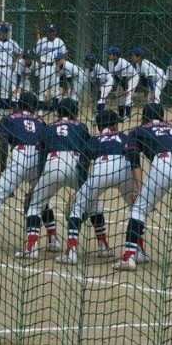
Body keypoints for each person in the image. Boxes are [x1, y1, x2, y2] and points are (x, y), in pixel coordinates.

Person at [113, 102, 172, 272]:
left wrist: (139, 188)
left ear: (144, 117)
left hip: (164, 163)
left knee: (139, 209)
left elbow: (135, 160)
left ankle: (129, 256)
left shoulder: (137, 130)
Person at [57, 110, 145, 265]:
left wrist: (81, 192)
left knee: (77, 208)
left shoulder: (93, 140)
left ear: (98, 126)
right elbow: (134, 156)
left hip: (101, 170)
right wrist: (138, 188)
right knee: (137, 208)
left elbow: (83, 165)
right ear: (115, 125)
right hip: (125, 169)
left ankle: (71, 252)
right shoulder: (125, 137)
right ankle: (138, 251)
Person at [0, 92, 58, 254]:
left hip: (20, 157)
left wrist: (2, 168)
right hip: (39, 159)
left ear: (18, 105)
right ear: (35, 108)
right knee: (41, 200)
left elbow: (3, 144)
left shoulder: (10, 118)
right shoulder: (41, 121)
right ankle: (53, 240)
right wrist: (40, 176)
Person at [15, 98, 93, 259]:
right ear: (76, 113)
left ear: (57, 113)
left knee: (35, 206)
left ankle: (31, 249)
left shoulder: (48, 127)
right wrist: (84, 184)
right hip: (75, 165)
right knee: (92, 204)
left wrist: (37, 182)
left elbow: (41, 156)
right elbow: (87, 155)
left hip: (52, 163)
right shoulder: (82, 127)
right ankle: (99, 246)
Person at [34, 24, 66, 115]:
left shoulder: (59, 41)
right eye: (49, 31)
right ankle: (41, 109)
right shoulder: (41, 41)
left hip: (55, 67)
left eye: (52, 31)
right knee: (42, 89)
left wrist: (61, 64)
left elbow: (64, 54)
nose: (51, 33)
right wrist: (38, 61)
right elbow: (34, 53)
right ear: (47, 31)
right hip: (44, 66)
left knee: (55, 90)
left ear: (55, 32)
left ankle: (55, 110)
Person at [107, 46, 140, 121]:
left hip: (133, 78)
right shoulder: (110, 63)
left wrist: (125, 89)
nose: (108, 55)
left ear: (115, 55)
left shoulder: (123, 62)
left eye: (110, 54)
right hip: (122, 80)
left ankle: (127, 116)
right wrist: (122, 86)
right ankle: (121, 115)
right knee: (118, 95)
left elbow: (125, 77)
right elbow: (115, 76)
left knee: (128, 95)